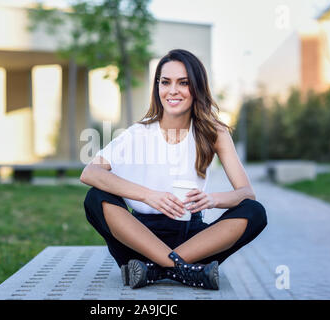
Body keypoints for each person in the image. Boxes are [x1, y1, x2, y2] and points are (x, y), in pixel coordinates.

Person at [80, 49, 267, 290]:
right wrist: (147, 195)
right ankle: (185, 271)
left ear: (196, 87)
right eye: (165, 82)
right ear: (157, 87)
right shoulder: (139, 132)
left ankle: (155, 271)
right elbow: (90, 173)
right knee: (95, 197)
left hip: (192, 237)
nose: (172, 90)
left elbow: (246, 193)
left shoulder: (214, 134)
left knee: (255, 211)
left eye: (183, 83)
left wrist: (212, 200)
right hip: (138, 240)